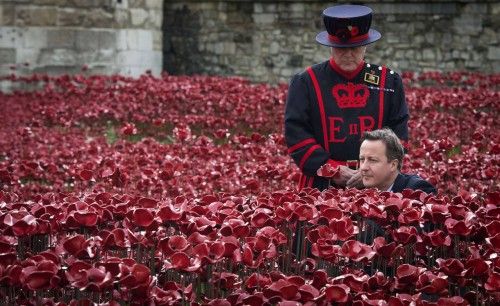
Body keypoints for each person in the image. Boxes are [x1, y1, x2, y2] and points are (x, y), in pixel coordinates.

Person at [285, 4, 409, 191]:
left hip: (377, 185)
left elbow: (399, 136)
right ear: (330, 46)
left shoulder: (389, 81)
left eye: (356, 48)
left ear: (366, 46)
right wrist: (332, 170)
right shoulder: (306, 81)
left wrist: (370, 171)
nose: (349, 54)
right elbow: (296, 135)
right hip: (320, 184)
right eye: (341, 48)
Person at [359, 128, 436, 194]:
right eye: (362, 159)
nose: (363, 167)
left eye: (372, 160)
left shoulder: (417, 190)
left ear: (393, 165)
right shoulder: (357, 192)